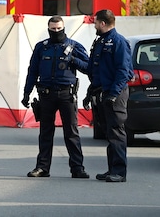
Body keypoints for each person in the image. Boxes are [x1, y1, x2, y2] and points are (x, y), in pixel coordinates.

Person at [22, 16, 90, 179]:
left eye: (59, 29)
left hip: (67, 94)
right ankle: (42, 168)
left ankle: (77, 168)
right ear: (48, 29)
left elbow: (89, 67)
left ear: (64, 28)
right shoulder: (42, 47)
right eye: (53, 29)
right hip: (46, 94)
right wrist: (27, 92)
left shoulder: (74, 46)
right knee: (45, 132)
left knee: (71, 132)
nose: (56, 32)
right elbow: (33, 71)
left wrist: (73, 60)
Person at [88, 9, 133, 183]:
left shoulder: (118, 42)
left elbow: (124, 71)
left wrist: (114, 93)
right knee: (108, 132)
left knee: (116, 132)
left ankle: (119, 172)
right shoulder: (100, 41)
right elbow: (96, 69)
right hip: (102, 92)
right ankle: (111, 168)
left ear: (103, 23)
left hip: (115, 93)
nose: (94, 26)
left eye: (96, 23)